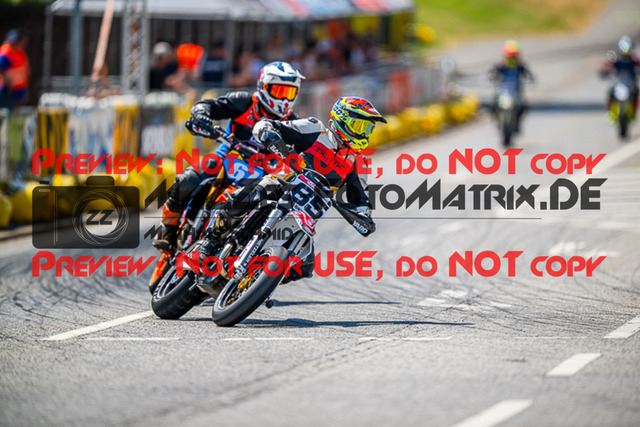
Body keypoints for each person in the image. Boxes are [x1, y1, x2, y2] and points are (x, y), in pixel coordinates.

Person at [198, 96, 385, 270]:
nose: (363, 133)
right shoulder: (315, 128)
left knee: (304, 267)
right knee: (247, 196)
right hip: (281, 185)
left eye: (367, 129)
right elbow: (269, 126)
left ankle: (257, 279)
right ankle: (210, 241)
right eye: (358, 126)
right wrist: (269, 133)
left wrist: (364, 217)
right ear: (341, 120)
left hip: (306, 214)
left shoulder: (357, 161)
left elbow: (361, 199)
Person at [152, 61, 305, 252]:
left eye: (289, 92)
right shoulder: (244, 101)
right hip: (225, 160)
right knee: (186, 180)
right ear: (263, 87)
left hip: (260, 178)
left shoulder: (294, 124)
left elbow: (307, 153)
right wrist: (201, 114)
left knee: (267, 215)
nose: (284, 99)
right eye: (279, 91)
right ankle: (167, 227)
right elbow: (211, 105)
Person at [489, 40, 534, 130]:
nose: (512, 60)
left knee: (522, 107)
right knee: (493, 105)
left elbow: (528, 75)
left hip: (516, 92)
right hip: (503, 91)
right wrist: (493, 77)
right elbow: (493, 74)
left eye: (514, 57)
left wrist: (530, 79)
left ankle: (517, 122)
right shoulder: (501, 66)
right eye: (509, 57)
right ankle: (497, 120)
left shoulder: (520, 67)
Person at [600, 35, 640, 117]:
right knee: (611, 91)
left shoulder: (634, 59)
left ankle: (633, 111)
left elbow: (638, 65)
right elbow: (608, 66)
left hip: (630, 82)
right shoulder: (615, 58)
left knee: (636, 92)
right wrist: (605, 71)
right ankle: (609, 109)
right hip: (618, 81)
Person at [0, 29, 30, 110]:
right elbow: (2, 69)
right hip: (6, 90)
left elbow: (25, 71)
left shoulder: (19, 52)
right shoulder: (6, 51)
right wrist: (8, 84)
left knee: (13, 113)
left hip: (17, 90)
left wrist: (23, 90)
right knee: (6, 112)